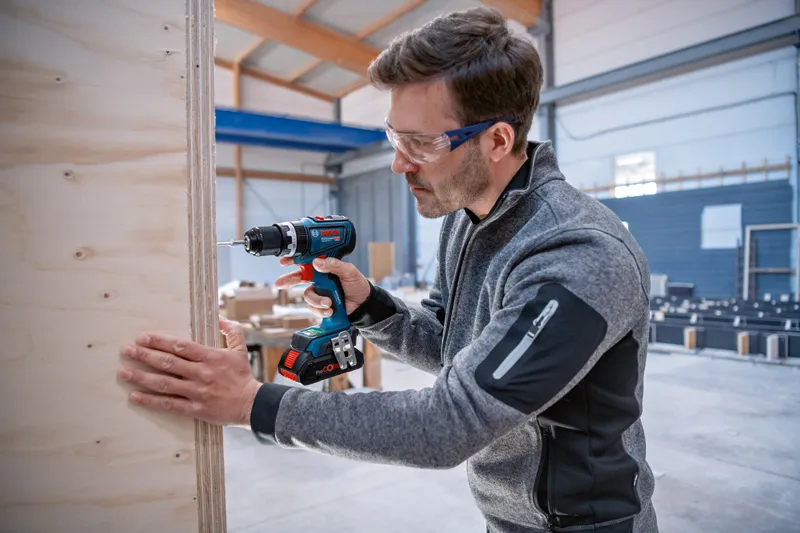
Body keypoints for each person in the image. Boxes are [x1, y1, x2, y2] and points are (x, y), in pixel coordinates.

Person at [118, 6, 658, 533]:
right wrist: (370, 307)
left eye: (421, 143)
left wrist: (251, 404)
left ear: (496, 140)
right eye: (395, 138)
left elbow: (450, 423)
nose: (400, 162)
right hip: (508, 516)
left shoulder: (577, 256)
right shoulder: (468, 218)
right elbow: (454, 351)